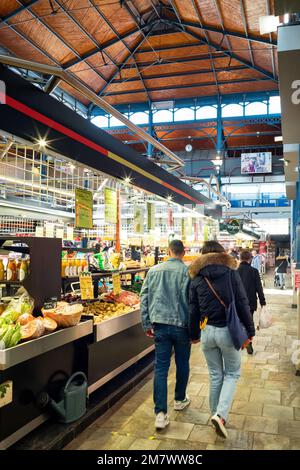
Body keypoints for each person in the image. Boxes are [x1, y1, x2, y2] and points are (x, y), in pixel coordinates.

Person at [188, 241, 255, 439]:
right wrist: (250, 330)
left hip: (207, 331)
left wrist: (193, 334)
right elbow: (242, 302)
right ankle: (220, 415)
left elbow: (192, 308)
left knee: (216, 375)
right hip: (228, 331)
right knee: (232, 373)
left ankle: (214, 414)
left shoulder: (196, 277)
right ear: (222, 253)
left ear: (202, 255)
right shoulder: (231, 273)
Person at [140, 240, 191, 430]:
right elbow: (193, 303)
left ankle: (160, 414)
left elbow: (143, 298)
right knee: (183, 363)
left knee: (160, 368)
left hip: (159, 326)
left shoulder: (153, 271)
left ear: (169, 251)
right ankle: (179, 399)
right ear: (183, 252)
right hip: (182, 327)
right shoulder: (188, 272)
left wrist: (146, 323)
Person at [238, 250, 266, 355]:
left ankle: (241, 341)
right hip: (250, 302)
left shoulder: (235, 272)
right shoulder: (254, 271)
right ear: (250, 259)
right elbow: (259, 288)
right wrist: (263, 302)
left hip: (238, 303)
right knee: (249, 322)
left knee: (239, 322)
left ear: (240, 258)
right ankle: (248, 341)